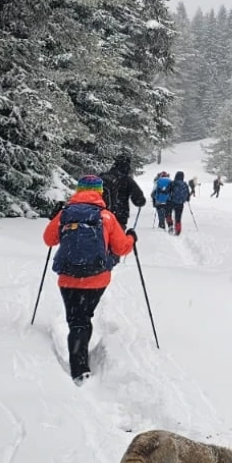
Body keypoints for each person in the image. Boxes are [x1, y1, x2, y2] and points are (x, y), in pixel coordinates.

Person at [43, 176, 136, 384]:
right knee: (84, 317)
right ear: (100, 192)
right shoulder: (106, 217)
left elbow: (48, 240)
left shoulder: (65, 214)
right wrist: (132, 237)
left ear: (78, 191)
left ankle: (79, 365)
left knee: (76, 321)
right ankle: (80, 365)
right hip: (97, 278)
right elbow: (122, 248)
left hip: (68, 279)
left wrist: (56, 218)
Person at [102, 153, 146, 229]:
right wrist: (141, 201)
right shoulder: (126, 179)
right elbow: (138, 199)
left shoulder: (103, 177)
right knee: (118, 239)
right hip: (120, 215)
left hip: (102, 214)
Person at [168, 171, 191, 235]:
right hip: (180, 203)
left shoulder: (173, 183)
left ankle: (170, 225)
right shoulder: (185, 184)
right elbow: (188, 195)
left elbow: (168, 191)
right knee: (178, 217)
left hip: (172, 202)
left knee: (169, 214)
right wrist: (187, 199)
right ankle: (178, 230)